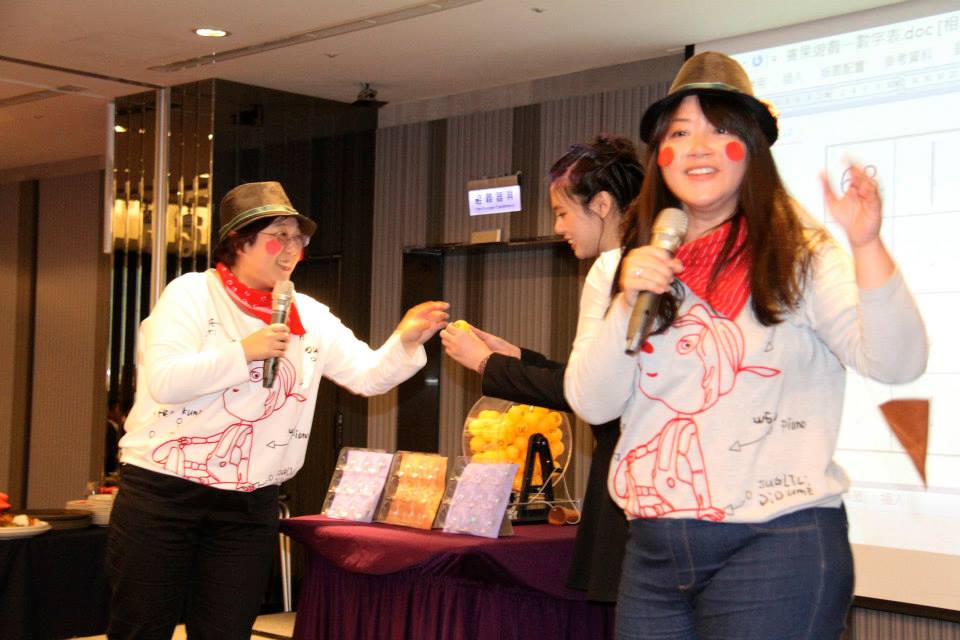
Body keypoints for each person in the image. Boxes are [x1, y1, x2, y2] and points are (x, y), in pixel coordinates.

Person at [563, 52, 927, 639]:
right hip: (653, 550)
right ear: (660, 155)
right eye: (679, 133)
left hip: (777, 542)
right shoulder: (617, 269)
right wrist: (628, 300)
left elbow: (897, 363)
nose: (698, 148)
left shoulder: (801, 257)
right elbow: (593, 403)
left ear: (752, 150)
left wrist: (866, 246)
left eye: (720, 131)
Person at [106, 181, 448, 639]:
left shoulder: (309, 313)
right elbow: (166, 381)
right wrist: (244, 352)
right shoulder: (192, 294)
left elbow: (366, 376)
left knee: (227, 630)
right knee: (141, 626)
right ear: (239, 242)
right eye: (278, 237)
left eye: (298, 239)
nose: (291, 250)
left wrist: (404, 341)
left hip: (250, 502)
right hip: (164, 493)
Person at [440, 135, 644, 602]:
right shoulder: (638, 266)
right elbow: (596, 380)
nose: (558, 227)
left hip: (628, 477)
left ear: (602, 205)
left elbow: (588, 395)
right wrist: (518, 359)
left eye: (562, 212)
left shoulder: (613, 270)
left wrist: (485, 363)